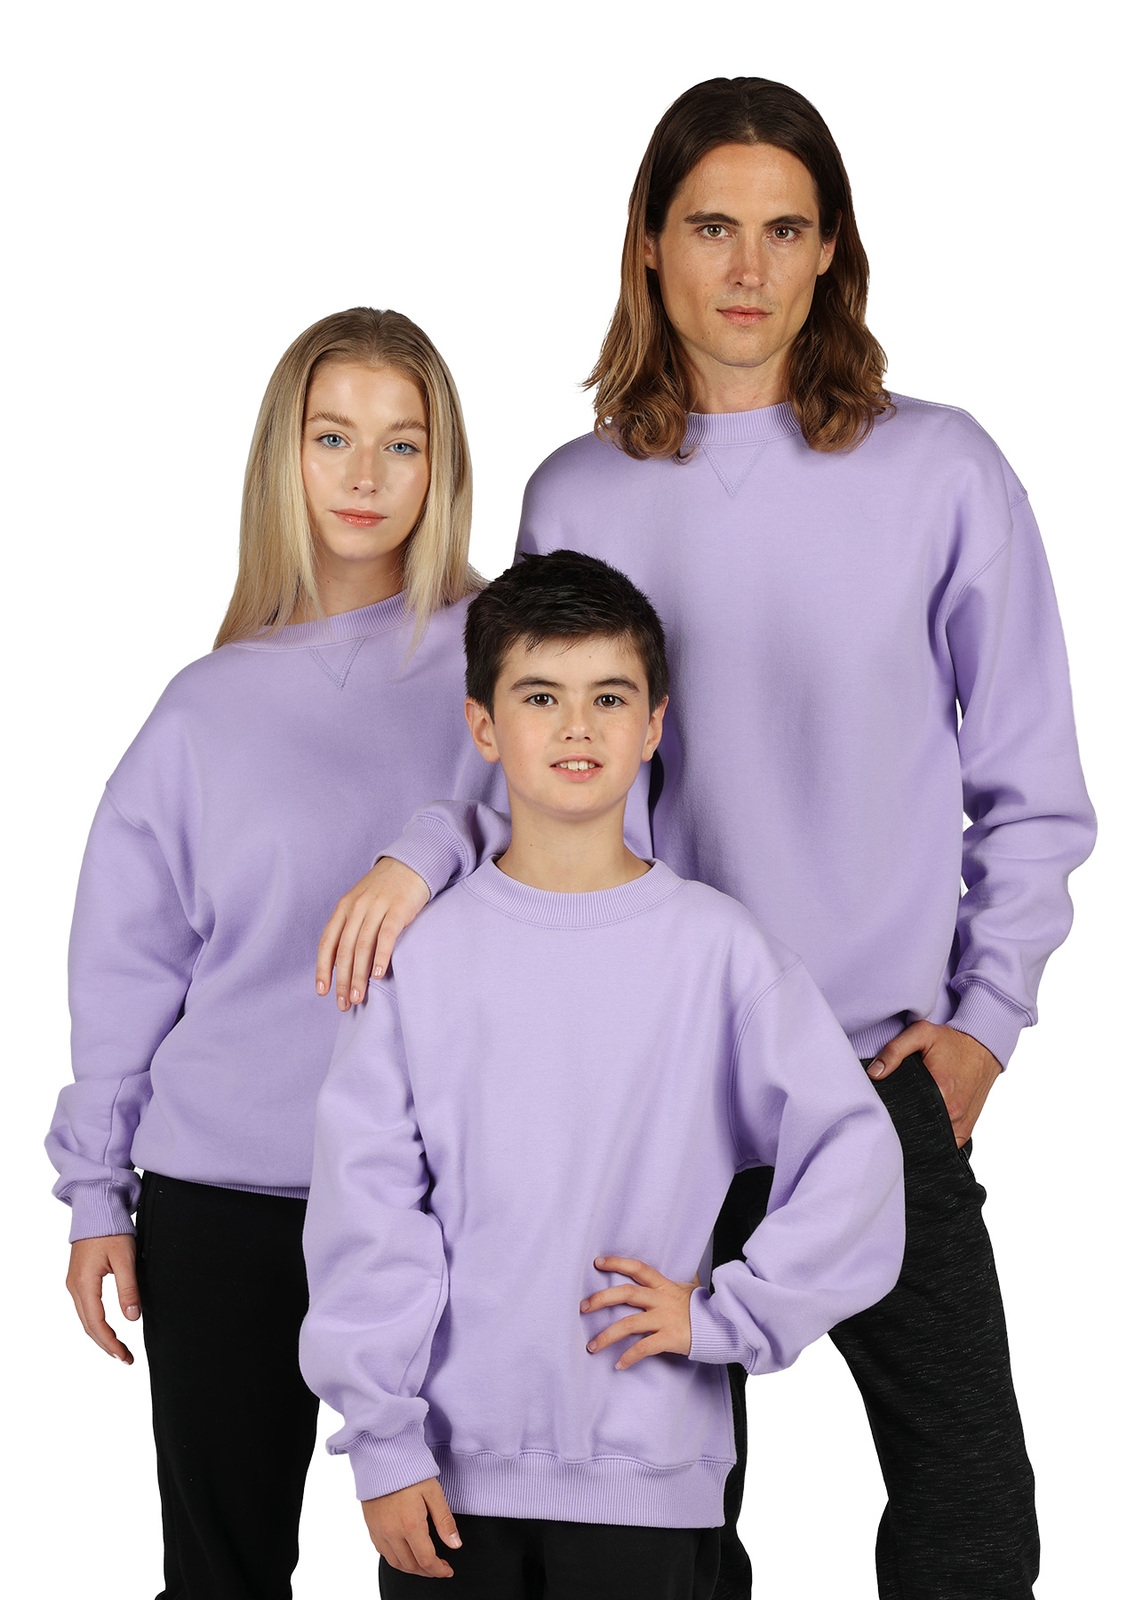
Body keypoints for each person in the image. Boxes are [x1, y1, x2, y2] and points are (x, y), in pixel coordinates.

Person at [318, 81, 1096, 1600]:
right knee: (660, 1534)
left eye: (784, 230)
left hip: (873, 1078)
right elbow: (528, 739)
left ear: (831, 252)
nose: (747, 268)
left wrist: (984, 1025)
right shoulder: (579, 490)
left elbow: (1031, 785)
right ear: (650, 245)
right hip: (644, 1078)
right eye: (711, 227)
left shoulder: (942, 473)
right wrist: (418, 854)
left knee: (971, 1519)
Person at [300, 550, 905, 1599]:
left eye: (609, 698)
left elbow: (854, 1152)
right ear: (484, 726)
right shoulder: (425, 956)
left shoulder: (721, 953)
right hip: (445, 1476)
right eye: (541, 696)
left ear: (654, 725)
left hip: (650, 1478)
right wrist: (383, 1439)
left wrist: (729, 1314)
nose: (577, 727)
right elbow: (368, 1208)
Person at [45, 307, 499, 1600]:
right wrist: (97, 1195)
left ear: (442, 465)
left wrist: (431, 843)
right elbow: (127, 968)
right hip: (224, 1198)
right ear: (282, 458)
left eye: (403, 442)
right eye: (333, 437)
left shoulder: (504, 658)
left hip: (440, 1198)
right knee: (221, 1578)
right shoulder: (204, 707)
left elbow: (585, 830)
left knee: (454, 1568)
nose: (366, 476)